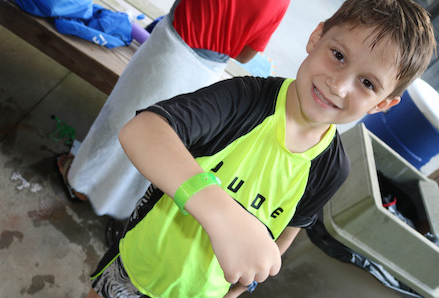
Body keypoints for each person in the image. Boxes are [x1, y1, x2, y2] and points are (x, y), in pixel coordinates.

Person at [39, 0, 436, 298]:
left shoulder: (332, 169)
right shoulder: (245, 98)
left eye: (367, 83)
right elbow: (142, 131)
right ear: (316, 38)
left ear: (384, 104)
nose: (340, 85)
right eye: (338, 55)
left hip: (201, 281)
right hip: (148, 244)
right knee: (110, 283)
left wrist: (242, 286)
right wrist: (223, 214)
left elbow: (290, 229)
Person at [57, 0, 290, 220]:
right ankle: (119, 205)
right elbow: (245, 54)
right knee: (158, 141)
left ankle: (79, 185)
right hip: (207, 73)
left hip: (170, 50)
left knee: (120, 121)